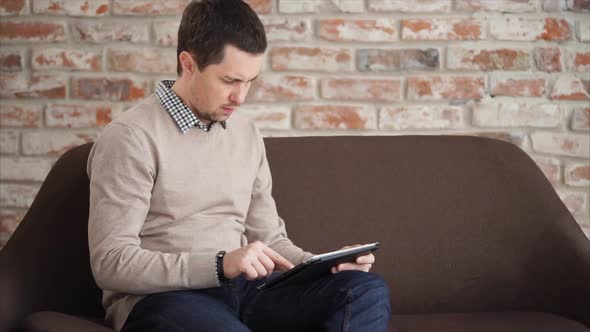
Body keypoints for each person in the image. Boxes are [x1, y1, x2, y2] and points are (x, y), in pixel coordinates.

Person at [87, 0, 391, 331]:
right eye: (230, 80)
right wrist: (220, 265)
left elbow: (270, 240)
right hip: (164, 299)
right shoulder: (131, 137)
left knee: (364, 290)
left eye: (250, 82)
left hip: (245, 291)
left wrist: (323, 266)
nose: (241, 97)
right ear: (188, 63)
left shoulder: (246, 133)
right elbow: (111, 262)